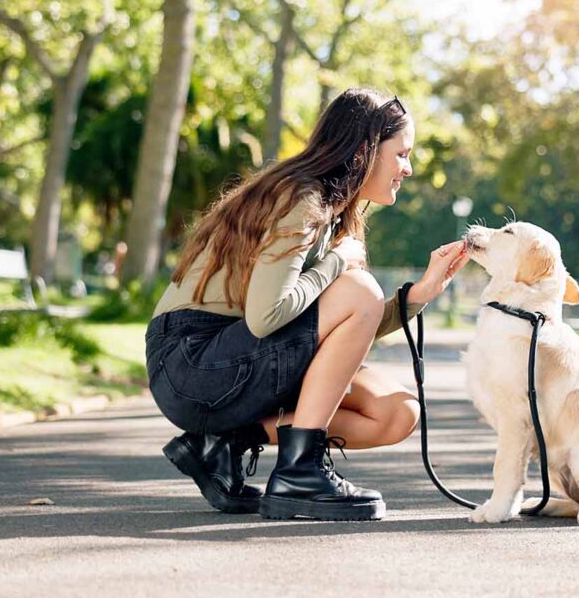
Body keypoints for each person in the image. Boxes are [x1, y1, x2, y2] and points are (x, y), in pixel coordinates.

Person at [144, 87, 469, 521]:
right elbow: (267, 318)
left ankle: (226, 442)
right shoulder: (301, 198)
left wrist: (419, 295)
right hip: (191, 364)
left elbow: (343, 322)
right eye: (401, 154)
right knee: (360, 287)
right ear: (366, 149)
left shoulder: (335, 210)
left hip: (232, 358)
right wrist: (337, 263)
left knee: (397, 413)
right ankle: (300, 472)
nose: (407, 169)